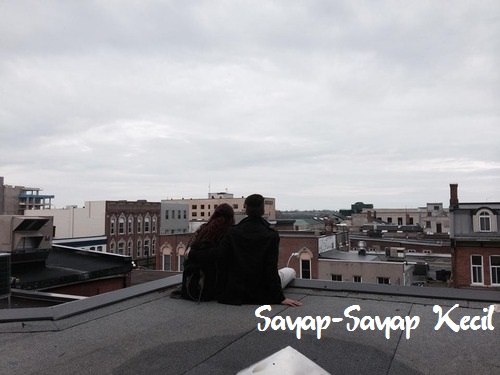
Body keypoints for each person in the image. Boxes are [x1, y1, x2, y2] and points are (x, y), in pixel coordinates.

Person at [190, 194, 302, 307]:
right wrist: (280, 298)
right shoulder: (271, 235)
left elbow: (217, 254)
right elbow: (270, 268)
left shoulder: (232, 232)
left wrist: (191, 253)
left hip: (234, 292)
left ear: (246, 209)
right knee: (290, 271)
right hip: (261, 292)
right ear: (262, 210)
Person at [175, 203, 235, 302]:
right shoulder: (229, 233)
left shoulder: (203, 229)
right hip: (216, 285)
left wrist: (191, 253)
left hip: (194, 282)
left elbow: (188, 253)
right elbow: (219, 254)